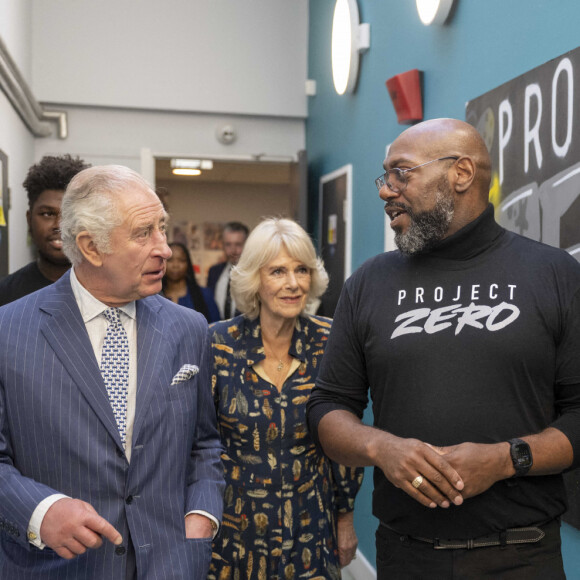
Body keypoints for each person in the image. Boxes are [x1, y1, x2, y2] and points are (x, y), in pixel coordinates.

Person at [306, 118, 580, 579]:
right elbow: (326, 408)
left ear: (462, 173)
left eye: (401, 173)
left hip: (522, 556)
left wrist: (503, 460)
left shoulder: (553, 274)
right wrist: (381, 447)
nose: (385, 191)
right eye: (384, 177)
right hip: (406, 556)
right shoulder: (369, 283)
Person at [0, 165, 224, 579]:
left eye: (162, 228)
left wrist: (201, 515)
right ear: (91, 247)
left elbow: (204, 444)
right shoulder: (7, 333)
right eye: (144, 233)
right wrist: (39, 511)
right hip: (58, 567)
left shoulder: (189, 328)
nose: (165, 249)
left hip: (170, 565)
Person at [208, 218, 363, 580]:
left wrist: (345, 518)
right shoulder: (217, 344)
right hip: (235, 532)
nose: (293, 283)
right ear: (254, 279)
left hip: (310, 527)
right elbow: (198, 444)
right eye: (278, 271)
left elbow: (347, 443)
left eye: (301, 270)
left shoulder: (331, 341)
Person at [0, 154, 90, 306]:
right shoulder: (6, 295)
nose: (60, 225)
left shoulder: (111, 291)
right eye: (47, 214)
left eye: (70, 214)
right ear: (29, 220)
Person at [162, 241, 220, 323]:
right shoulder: (154, 297)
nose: (175, 265)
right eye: (170, 260)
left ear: (188, 264)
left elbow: (216, 328)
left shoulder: (205, 295)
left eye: (181, 260)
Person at [207, 221, 249, 319]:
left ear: (247, 245)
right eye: (228, 244)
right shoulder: (214, 272)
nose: (233, 250)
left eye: (238, 244)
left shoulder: (255, 273)